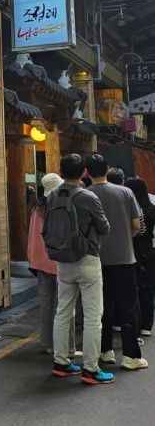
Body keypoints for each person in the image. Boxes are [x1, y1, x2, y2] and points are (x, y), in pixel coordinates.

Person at [50, 153, 112, 384]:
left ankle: (61, 363)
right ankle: (91, 369)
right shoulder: (87, 196)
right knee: (93, 316)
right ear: (84, 172)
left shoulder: (53, 195)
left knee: (63, 311)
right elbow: (104, 228)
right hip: (87, 259)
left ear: (60, 171)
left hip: (62, 260)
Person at [86, 154, 147, 371]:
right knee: (128, 305)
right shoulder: (125, 192)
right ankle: (131, 356)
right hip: (125, 258)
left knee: (102, 306)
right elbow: (137, 225)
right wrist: (124, 239)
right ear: (107, 168)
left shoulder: (84, 194)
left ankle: (105, 351)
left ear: (87, 172)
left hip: (95, 260)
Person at [28, 173, 77, 356]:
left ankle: (47, 342)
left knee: (46, 304)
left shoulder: (36, 209)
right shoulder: (60, 207)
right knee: (65, 306)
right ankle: (67, 346)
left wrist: (32, 260)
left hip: (40, 264)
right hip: (59, 261)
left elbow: (32, 239)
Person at [125, 176, 155, 338]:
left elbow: (136, 230)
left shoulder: (129, 209)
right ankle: (146, 325)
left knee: (131, 288)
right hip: (149, 252)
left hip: (131, 251)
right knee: (148, 288)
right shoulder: (152, 209)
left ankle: (131, 322)